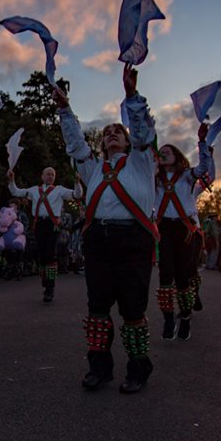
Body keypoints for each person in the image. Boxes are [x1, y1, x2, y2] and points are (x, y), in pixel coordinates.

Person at [56, 63, 160, 394]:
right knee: (97, 308)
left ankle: (138, 368)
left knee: (132, 308)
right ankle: (99, 368)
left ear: (128, 141)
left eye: (118, 130)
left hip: (134, 240)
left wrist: (132, 96)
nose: (112, 133)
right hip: (98, 240)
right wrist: (65, 110)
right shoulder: (92, 168)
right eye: (107, 132)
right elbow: (75, 144)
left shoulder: (143, 161)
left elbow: (144, 132)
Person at [153, 123, 214, 341]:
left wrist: (202, 142)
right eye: (161, 153)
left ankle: (186, 317)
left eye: (168, 151)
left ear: (177, 157)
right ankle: (169, 319)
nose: (164, 154)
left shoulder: (188, 176)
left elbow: (205, 167)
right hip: (164, 228)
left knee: (183, 276)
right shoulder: (155, 181)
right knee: (164, 274)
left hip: (185, 229)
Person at [7, 166, 82, 302]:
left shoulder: (59, 190)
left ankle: (50, 288)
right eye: (47, 174)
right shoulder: (34, 190)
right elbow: (16, 192)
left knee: (51, 255)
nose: (50, 176)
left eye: (52, 174)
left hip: (52, 224)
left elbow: (77, 195)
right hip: (39, 224)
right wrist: (11, 180)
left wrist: (77, 182)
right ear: (42, 176)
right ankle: (46, 280)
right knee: (41, 256)